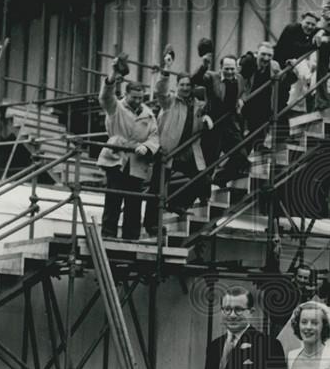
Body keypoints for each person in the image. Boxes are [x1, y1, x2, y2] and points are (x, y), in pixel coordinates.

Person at [97, 66, 159, 240]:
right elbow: (105, 96)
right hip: (117, 159)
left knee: (134, 203)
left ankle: (131, 237)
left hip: (137, 163)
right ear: (126, 94)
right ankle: (108, 235)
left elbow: (155, 137)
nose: (138, 101)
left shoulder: (149, 115)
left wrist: (147, 147)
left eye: (141, 98)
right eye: (134, 98)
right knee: (113, 200)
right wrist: (111, 76)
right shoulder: (115, 107)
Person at [152, 56, 214, 220]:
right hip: (168, 150)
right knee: (156, 189)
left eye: (188, 85)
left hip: (189, 151)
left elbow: (207, 110)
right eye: (182, 85)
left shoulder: (198, 104)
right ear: (177, 85)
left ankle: (178, 203)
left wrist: (206, 118)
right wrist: (166, 70)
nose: (185, 88)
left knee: (204, 181)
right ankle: (151, 224)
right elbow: (160, 91)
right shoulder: (169, 101)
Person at [192, 53, 248, 188]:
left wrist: (241, 100)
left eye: (232, 69)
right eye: (226, 69)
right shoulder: (212, 77)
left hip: (230, 123)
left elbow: (244, 91)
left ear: (237, 68)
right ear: (220, 68)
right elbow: (196, 79)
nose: (229, 72)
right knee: (210, 160)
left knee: (241, 155)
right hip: (213, 123)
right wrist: (204, 66)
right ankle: (201, 194)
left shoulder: (239, 79)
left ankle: (218, 179)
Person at [274, 11, 323, 113]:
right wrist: (314, 45)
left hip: (292, 67)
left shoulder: (313, 31)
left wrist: (321, 32)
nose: (309, 27)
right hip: (280, 65)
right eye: (307, 23)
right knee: (277, 95)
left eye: (313, 24)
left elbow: (324, 29)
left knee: (286, 95)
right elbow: (296, 48)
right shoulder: (291, 29)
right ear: (302, 21)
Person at [240, 42, 282, 150]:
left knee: (258, 138)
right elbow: (239, 81)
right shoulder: (249, 64)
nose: (266, 58)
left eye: (269, 55)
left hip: (265, 107)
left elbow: (283, 80)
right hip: (248, 106)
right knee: (244, 140)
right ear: (257, 53)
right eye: (263, 54)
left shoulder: (274, 65)